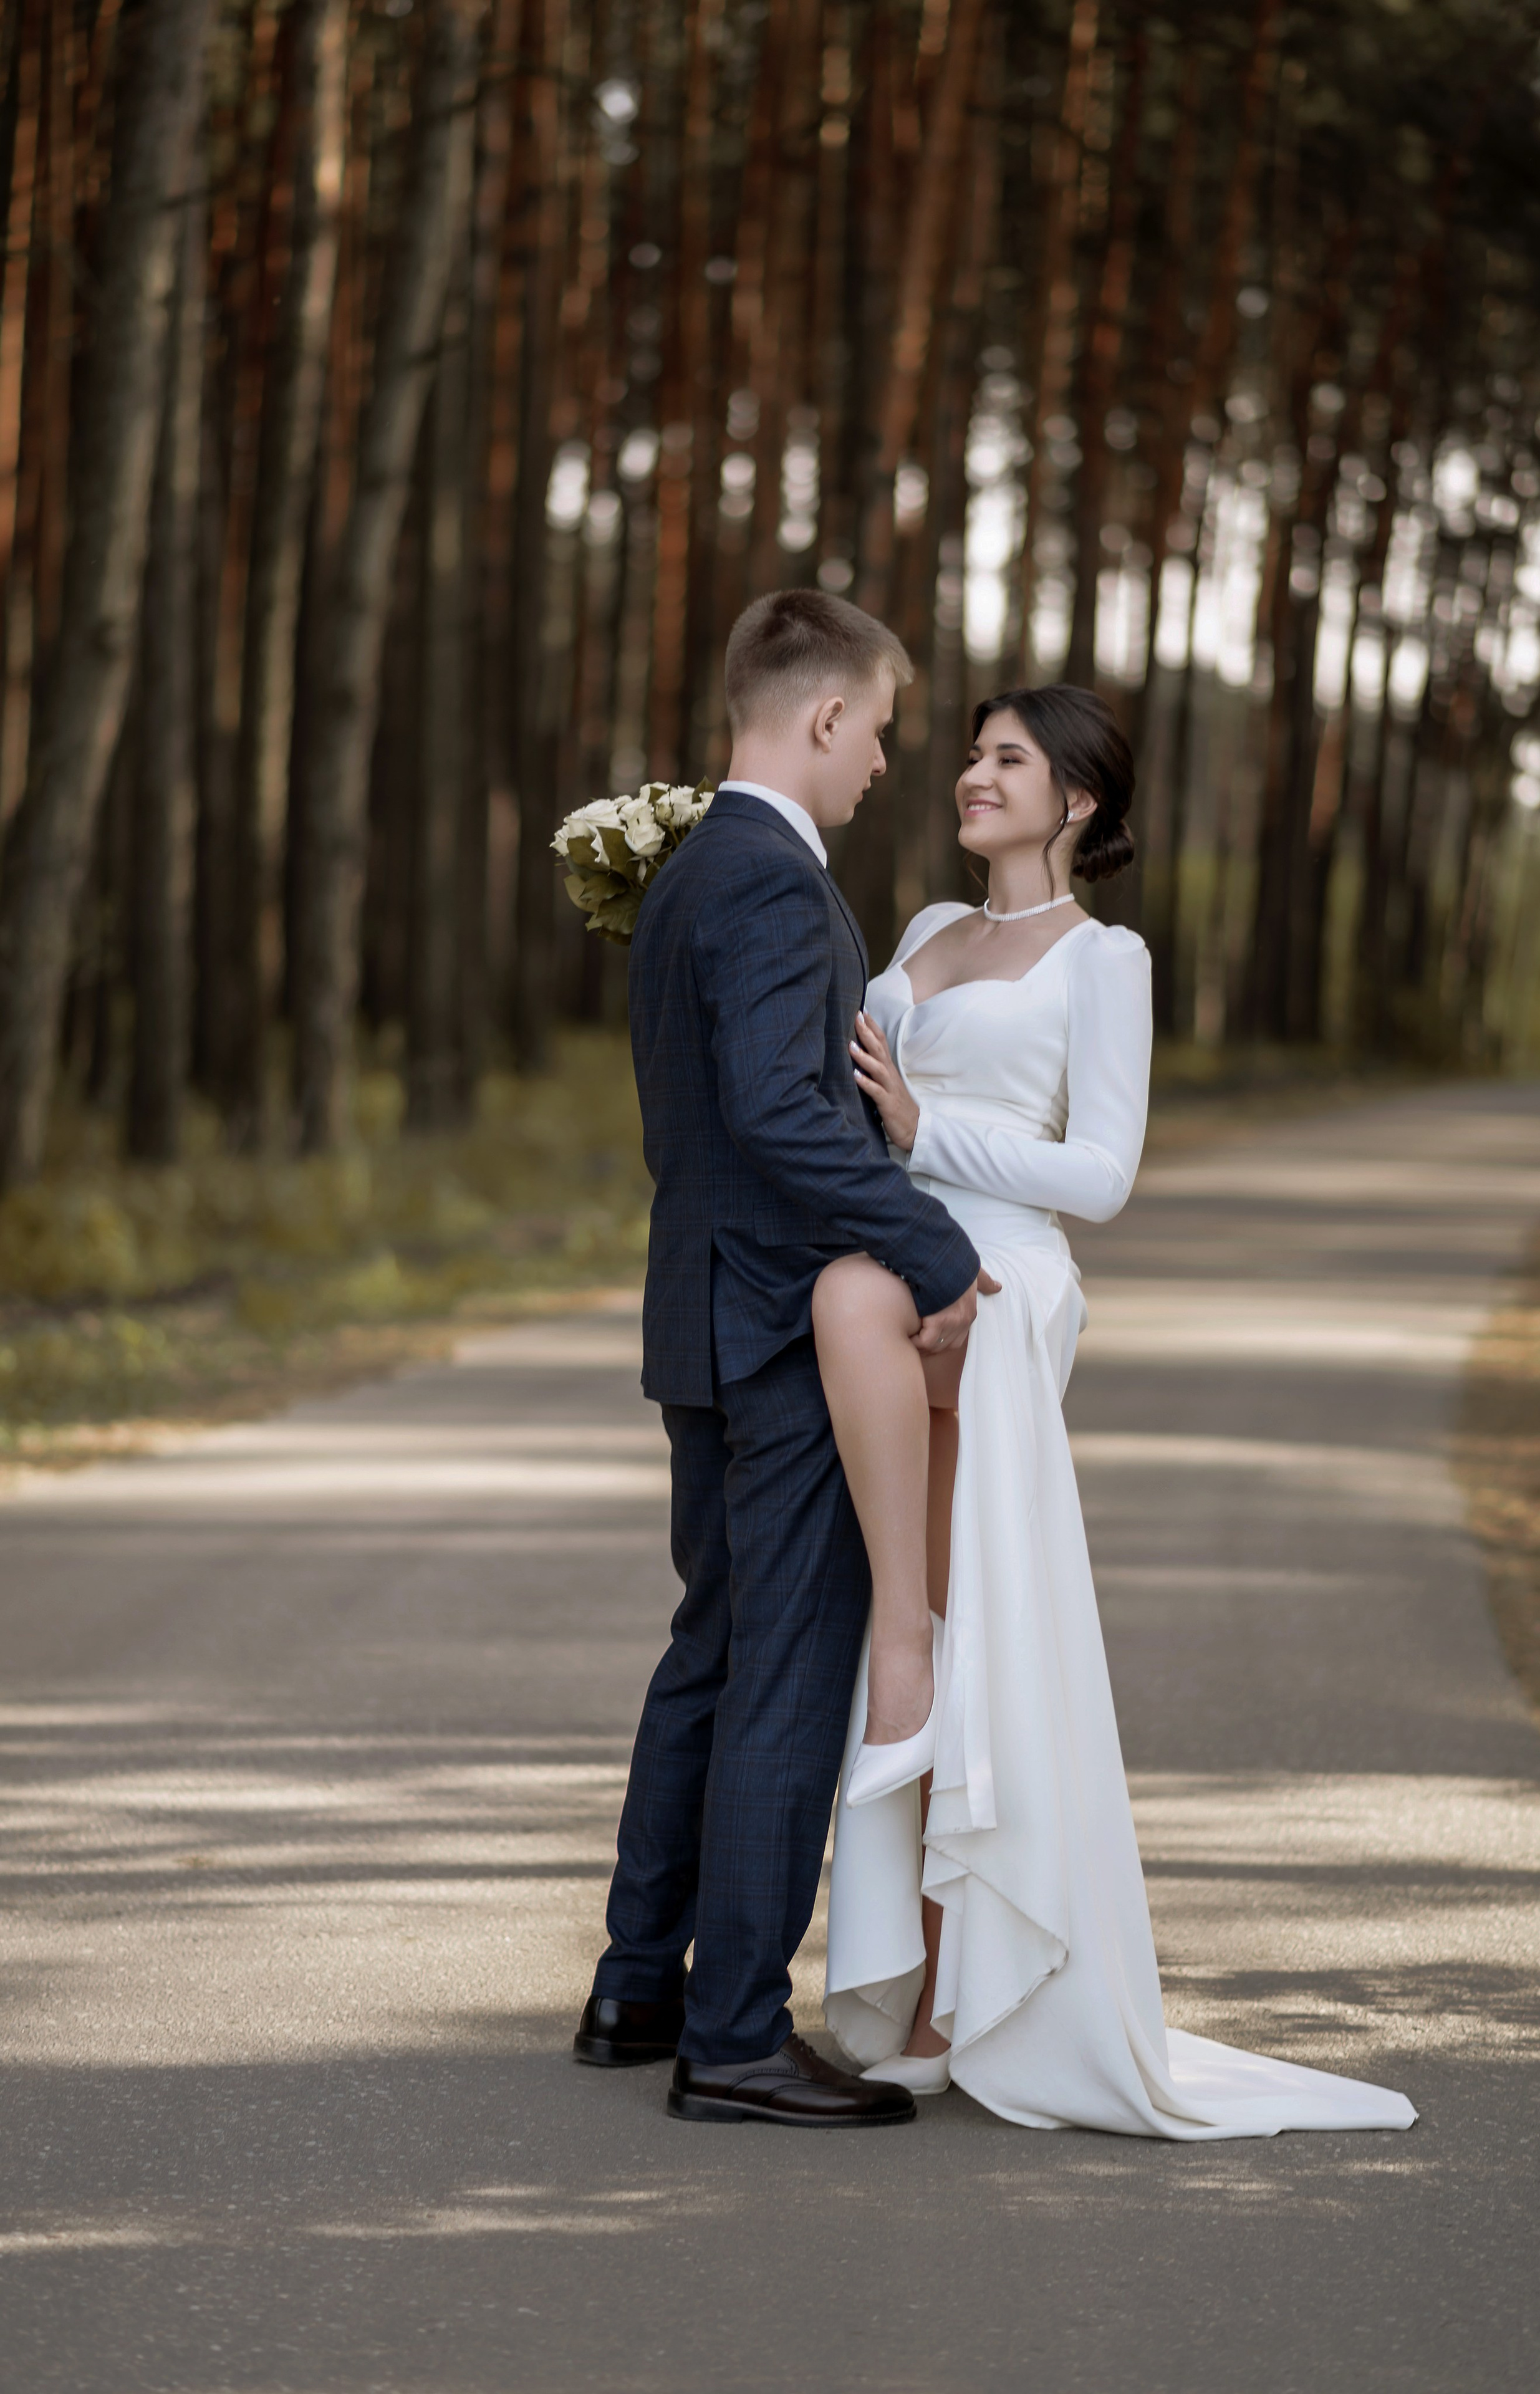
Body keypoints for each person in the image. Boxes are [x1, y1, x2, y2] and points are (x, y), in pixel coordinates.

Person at [816, 682, 1417, 2139]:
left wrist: (923, 1127)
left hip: (1009, 1275)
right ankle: (924, 1983)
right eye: (968, 753)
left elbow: (1102, 1174)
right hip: (901, 1251)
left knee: (968, 1591)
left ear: (1074, 800)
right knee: (937, 1596)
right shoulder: (915, 935)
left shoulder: (1106, 961)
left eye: (1003, 759)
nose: (969, 774)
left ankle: (973, 1940)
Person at [573, 588, 995, 2128]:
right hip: (767, 1323)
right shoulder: (763, 879)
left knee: (710, 1648)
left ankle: (641, 1987)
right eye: (877, 732)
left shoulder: (695, 870)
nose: (885, 762)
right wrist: (937, 1251)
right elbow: (777, 1108)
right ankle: (737, 2035)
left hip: (699, 1309)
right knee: (786, 1669)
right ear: (821, 719)